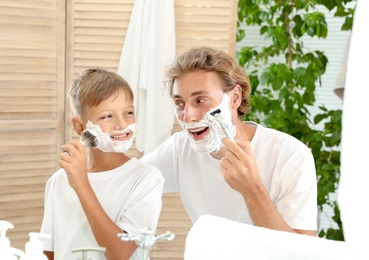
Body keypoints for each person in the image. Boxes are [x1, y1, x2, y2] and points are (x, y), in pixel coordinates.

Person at [141, 46, 318, 236]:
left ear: (234, 98)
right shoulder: (179, 150)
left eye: (200, 100)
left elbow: (302, 252)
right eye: (179, 103)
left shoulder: (290, 156)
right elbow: (127, 180)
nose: (188, 116)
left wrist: (252, 189)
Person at [40, 68, 164, 260]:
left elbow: (120, 253)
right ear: (80, 127)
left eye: (128, 112)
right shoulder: (59, 181)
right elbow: (49, 252)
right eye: (107, 116)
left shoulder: (146, 179)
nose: (122, 124)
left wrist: (82, 185)